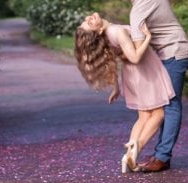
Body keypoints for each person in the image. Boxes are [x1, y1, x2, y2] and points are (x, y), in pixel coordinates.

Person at [110, 0, 188, 172]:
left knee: (170, 105)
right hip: (170, 52)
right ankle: (161, 154)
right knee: (166, 103)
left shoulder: (138, 10)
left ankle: (162, 157)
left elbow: (137, 55)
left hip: (175, 52)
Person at [74, 12, 175, 173]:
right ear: (98, 31)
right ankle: (137, 148)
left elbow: (111, 61)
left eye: (86, 20)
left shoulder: (107, 36)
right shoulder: (116, 32)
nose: (88, 18)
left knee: (143, 117)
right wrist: (148, 37)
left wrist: (116, 87)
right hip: (144, 72)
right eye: (89, 23)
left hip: (133, 76)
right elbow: (135, 58)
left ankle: (128, 154)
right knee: (158, 114)